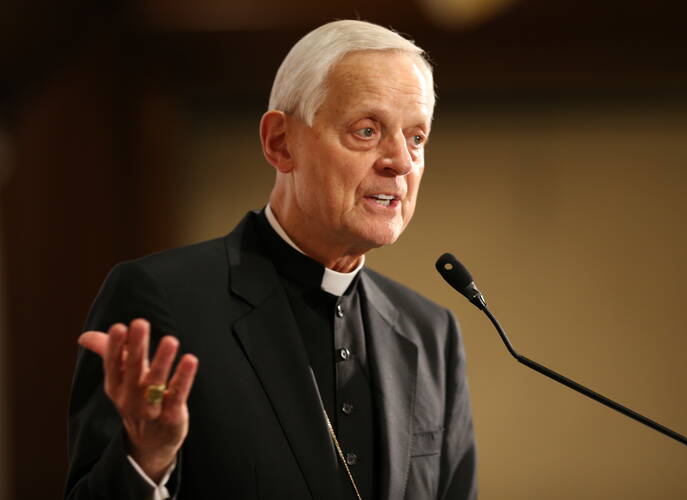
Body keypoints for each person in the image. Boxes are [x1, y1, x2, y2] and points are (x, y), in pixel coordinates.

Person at [65, 20, 477, 500]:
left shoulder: (430, 334)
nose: (400, 162)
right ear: (280, 142)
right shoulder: (164, 300)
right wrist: (147, 459)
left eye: (417, 138)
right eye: (367, 131)